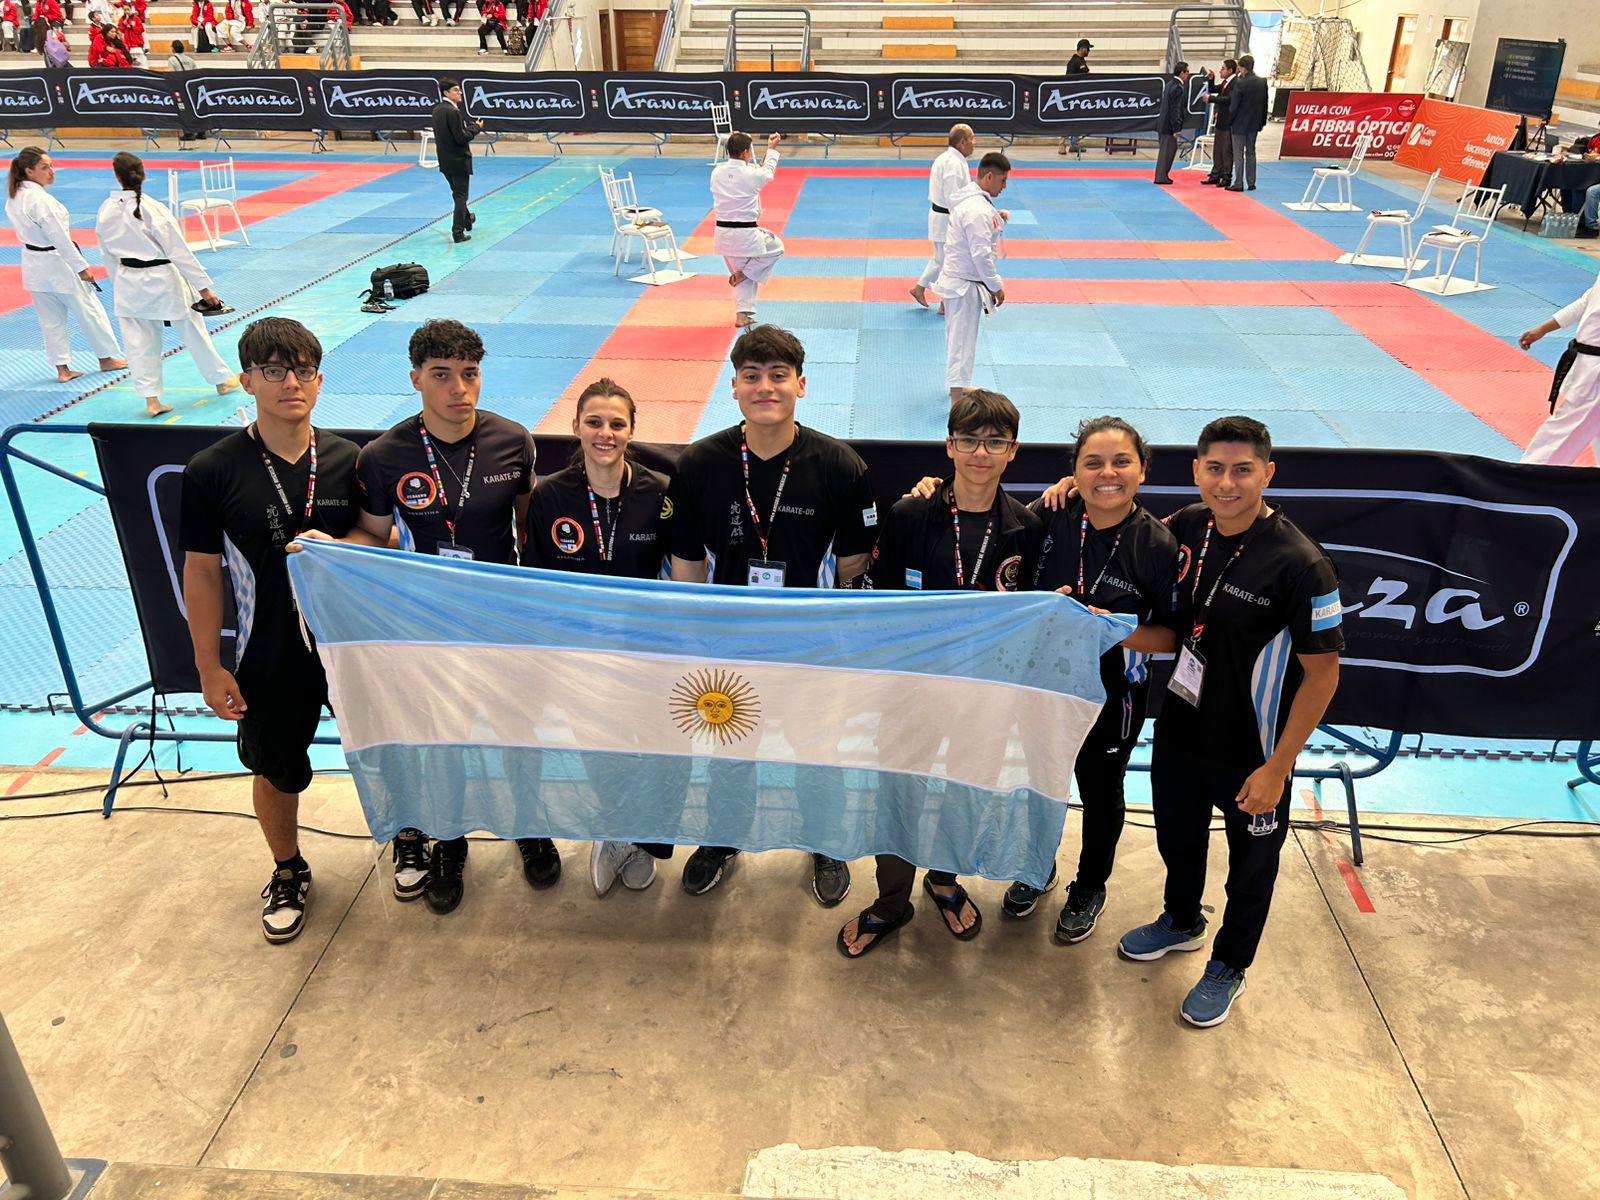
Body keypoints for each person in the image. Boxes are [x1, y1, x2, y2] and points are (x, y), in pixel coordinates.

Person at [1117, 416, 1342, 1028]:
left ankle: (1229, 965)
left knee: (1251, 870)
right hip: (1182, 729)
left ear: (1268, 474)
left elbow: (1323, 676)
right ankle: (1181, 920)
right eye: (1215, 469)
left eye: (1243, 470)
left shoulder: (1302, 565)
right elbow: (1122, 525)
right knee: (1176, 838)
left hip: (1253, 752)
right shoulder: (1191, 524)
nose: (1227, 483)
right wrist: (1065, 489)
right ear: (1196, 471)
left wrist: (1279, 767)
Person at [180, 317, 377, 944]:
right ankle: (288, 869)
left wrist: (340, 545)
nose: (291, 382)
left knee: (386, 747)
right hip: (268, 649)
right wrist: (209, 666)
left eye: (303, 370)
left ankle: (407, 837)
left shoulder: (350, 460)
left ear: (319, 380)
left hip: (350, 645)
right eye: (274, 370)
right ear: (248, 381)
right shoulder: (212, 469)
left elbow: (379, 537)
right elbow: (201, 572)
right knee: (274, 767)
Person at [667, 325, 877, 905]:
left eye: (778, 376)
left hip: (810, 644)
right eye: (752, 376)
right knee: (731, 749)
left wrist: (832, 637)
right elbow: (686, 559)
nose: (766, 387)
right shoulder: (700, 463)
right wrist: (695, 638)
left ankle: (825, 841)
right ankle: (722, 837)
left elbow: (854, 562)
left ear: (801, 385)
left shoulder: (841, 466)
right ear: (734, 386)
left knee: (817, 750)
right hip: (729, 643)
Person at [838, 390, 1042, 958]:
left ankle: (946, 879)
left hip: (983, 691)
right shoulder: (909, 515)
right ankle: (891, 901)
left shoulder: (1026, 528)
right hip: (910, 689)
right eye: (969, 440)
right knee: (898, 790)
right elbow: (880, 605)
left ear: (1013, 451)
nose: (981, 452)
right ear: (949, 446)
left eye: (995, 442)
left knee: (966, 786)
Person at [354, 319, 543, 915]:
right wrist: (325, 548)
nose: (459, 389)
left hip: (502, 620)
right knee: (443, 738)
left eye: (470, 373)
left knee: (518, 730)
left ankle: (531, 827)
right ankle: (449, 841)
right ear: (415, 379)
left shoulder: (513, 441)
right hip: (428, 626)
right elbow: (372, 535)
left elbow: (530, 530)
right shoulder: (384, 457)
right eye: (442, 375)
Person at [1000, 417, 1180, 940]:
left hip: (1112, 695)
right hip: (1043, 686)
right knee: (1041, 782)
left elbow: (1171, 638)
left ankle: (1090, 885)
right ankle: (1037, 866)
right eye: (1092, 463)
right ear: (1074, 473)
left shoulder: (1158, 545)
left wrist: (1110, 628)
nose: (1107, 474)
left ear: (1143, 470)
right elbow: (1005, 581)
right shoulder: (1048, 513)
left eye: (1121, 462)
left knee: (1101, 792)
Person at [523, 378, 679, 896]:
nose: (604, 433)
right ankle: (612, 831)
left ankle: (641, 838)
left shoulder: (660, 492)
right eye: (594, 422)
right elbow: (539, 583)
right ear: (576, 427)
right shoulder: (550, 495)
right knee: (598, 750)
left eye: (616, 423)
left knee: (650, 750)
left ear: (632, 430)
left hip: (647, 653)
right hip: (582, 655)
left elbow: (681, 572)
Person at [95, 153, 239, 418]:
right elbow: (179, 251)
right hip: (163, 278)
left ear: (116, 176)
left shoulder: (106, 210)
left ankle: (151, 400)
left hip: (128, 280)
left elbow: (106, 253)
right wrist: (204, 289)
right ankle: (221, 380)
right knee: (193, 330)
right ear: (143, 174)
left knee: (139, 344)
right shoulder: (153, 208)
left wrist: (119, 282)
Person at [5, 147, 126, 384]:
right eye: (44, 167)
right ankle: (106, 358)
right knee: (90, 311)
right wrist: (82, 267)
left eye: (51, 166)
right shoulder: (40, 200)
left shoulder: (14, 195)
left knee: (51, 321)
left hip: (34, 264)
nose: (51, 171)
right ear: (29, 171)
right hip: (59, 263)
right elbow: (60, 238)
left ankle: (62, 369)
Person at [937, 151, 1009, 404]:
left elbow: (981, 234)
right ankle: (957, 400)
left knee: (960, 338)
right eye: (1002, 180)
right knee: (962, 341)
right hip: (964, 284)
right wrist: (996, 285)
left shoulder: (974, 202)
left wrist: (998, 219)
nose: (1004, 186)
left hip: (959, 280)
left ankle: (957, 386)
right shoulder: (977, 209)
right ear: (989, 176)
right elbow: (981, 255)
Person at [1519, 271, 1600, 465]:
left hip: (1595, 372)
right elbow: (1587, 301)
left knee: (1563, 431)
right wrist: (1543, 329)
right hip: (1587, 361)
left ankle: (1531, 476)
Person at [712, 131, 784, 329]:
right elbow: (767, 172)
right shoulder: (751, 175)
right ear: (745, 152)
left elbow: (754, 171)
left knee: (742, 269)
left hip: (722, 234)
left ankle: (742, 316)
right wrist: (771, 149)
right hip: (746, 234)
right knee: (777, 248)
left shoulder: (717, 172)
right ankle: (744, 274)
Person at [909, 123, 973, 312]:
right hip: (947, 218)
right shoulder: (952, 163)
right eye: (972, 139)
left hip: (942, 216)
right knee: (949, 262)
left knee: (941, 260)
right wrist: (963, 220)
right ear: (962, 142)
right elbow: (952, 196)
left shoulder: (950, 159)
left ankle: (920, 288)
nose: (974, 143)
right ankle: (945, 302)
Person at [431, 78, 480, 244]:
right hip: (458, 160)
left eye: (459, 89)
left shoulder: (438, 109)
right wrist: (475, 128)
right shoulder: (453, 112)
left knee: (457, 193)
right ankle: (458, 232)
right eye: (455, 90)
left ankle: (467, 219)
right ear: (446, 93)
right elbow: (461, 138)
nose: (460, 93)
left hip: (445, 160)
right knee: (461, 197)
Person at [1227, 54, 1267, 193]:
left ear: (1243, 68)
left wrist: (1230, 120)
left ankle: (1238, 183)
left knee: (1238, 153)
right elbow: (1264, 104)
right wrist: (1262, 122)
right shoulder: (1262, 82)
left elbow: (1234, 105)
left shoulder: (1240, 83)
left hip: (1239, 123)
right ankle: (1251, 182)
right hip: (1254, 123)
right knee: (1251, 152)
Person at [1153, 61, 1190, 186]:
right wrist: (1176, 128)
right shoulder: (1177, 88)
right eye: (1187, 72)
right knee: (1167, 152)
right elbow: (1175, 109)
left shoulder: (1170, 84)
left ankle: (1162, 175)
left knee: (1168, 151)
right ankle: (1161, 176)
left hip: (1164, 123)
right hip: (1169, 126)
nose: (1188, 74)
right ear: (1182, 73)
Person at [1203, 59, 1237, 186]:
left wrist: (1211, 99)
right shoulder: (1225, 83)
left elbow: (1229, 99)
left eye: (1223, 69)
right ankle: (1216, 174)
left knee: (1226, 150)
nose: (1220, 71)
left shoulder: (1236, 83)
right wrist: (1211, 79)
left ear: (1230, 70)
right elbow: (1213, 89)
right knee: (1218, 149)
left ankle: (1226, 176)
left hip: (1229, 121)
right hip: (1221, 120)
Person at [1059, 38, 1092, 156]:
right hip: (1072, 95)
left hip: (1078, 95)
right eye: (1087, 48)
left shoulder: (1080, 61)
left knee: (1077, 121)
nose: (1089, 51)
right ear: (1082, 49)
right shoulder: (1074, 62)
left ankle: (1074, 144)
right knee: (1068, 120)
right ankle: (1062, 144)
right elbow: (1070, 78)